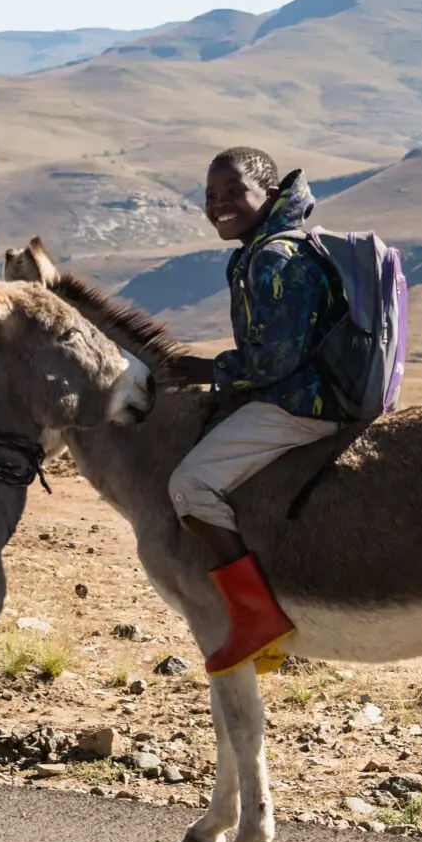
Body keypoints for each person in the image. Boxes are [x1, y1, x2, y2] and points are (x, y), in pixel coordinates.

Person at [169, 146, 344, 675]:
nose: (220, 204)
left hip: (303, 404)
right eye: (211, 195)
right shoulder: (261, 248)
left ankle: (256, 618)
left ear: (267, 195)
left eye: (233, 192)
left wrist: (207, 370)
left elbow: (275, 360)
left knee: (190, 485)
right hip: (297, 393)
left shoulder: (274, 256)